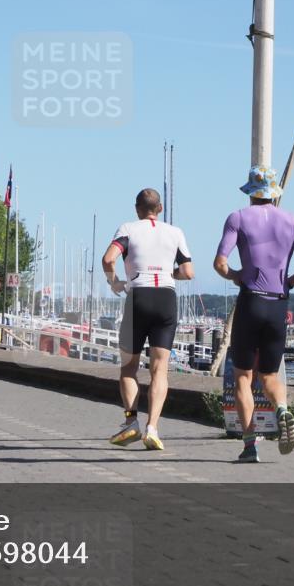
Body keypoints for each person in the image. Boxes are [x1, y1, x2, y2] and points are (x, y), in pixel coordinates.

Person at [213, 165, 294, 463]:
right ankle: (282, 410)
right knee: (270, 374)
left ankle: (249, 446)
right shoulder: (293, 220)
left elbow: (219, 263)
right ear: (274, 193)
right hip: (277, 303)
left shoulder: (238, 218)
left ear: (250, 192)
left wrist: (236, 275)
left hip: (250, 300)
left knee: (243, 378)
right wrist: (291, 282)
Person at [101, 189, 193, 451]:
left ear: (136, 208)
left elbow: (108, 258)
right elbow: (188, 271)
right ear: (160, 208)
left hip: (138, 297)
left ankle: (131, 422)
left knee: (129, 367)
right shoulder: (175, 232)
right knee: (159, 369)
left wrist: (114, 281)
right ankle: (153, 428)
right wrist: (168, 272)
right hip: (166, 298)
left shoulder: (128, 229)